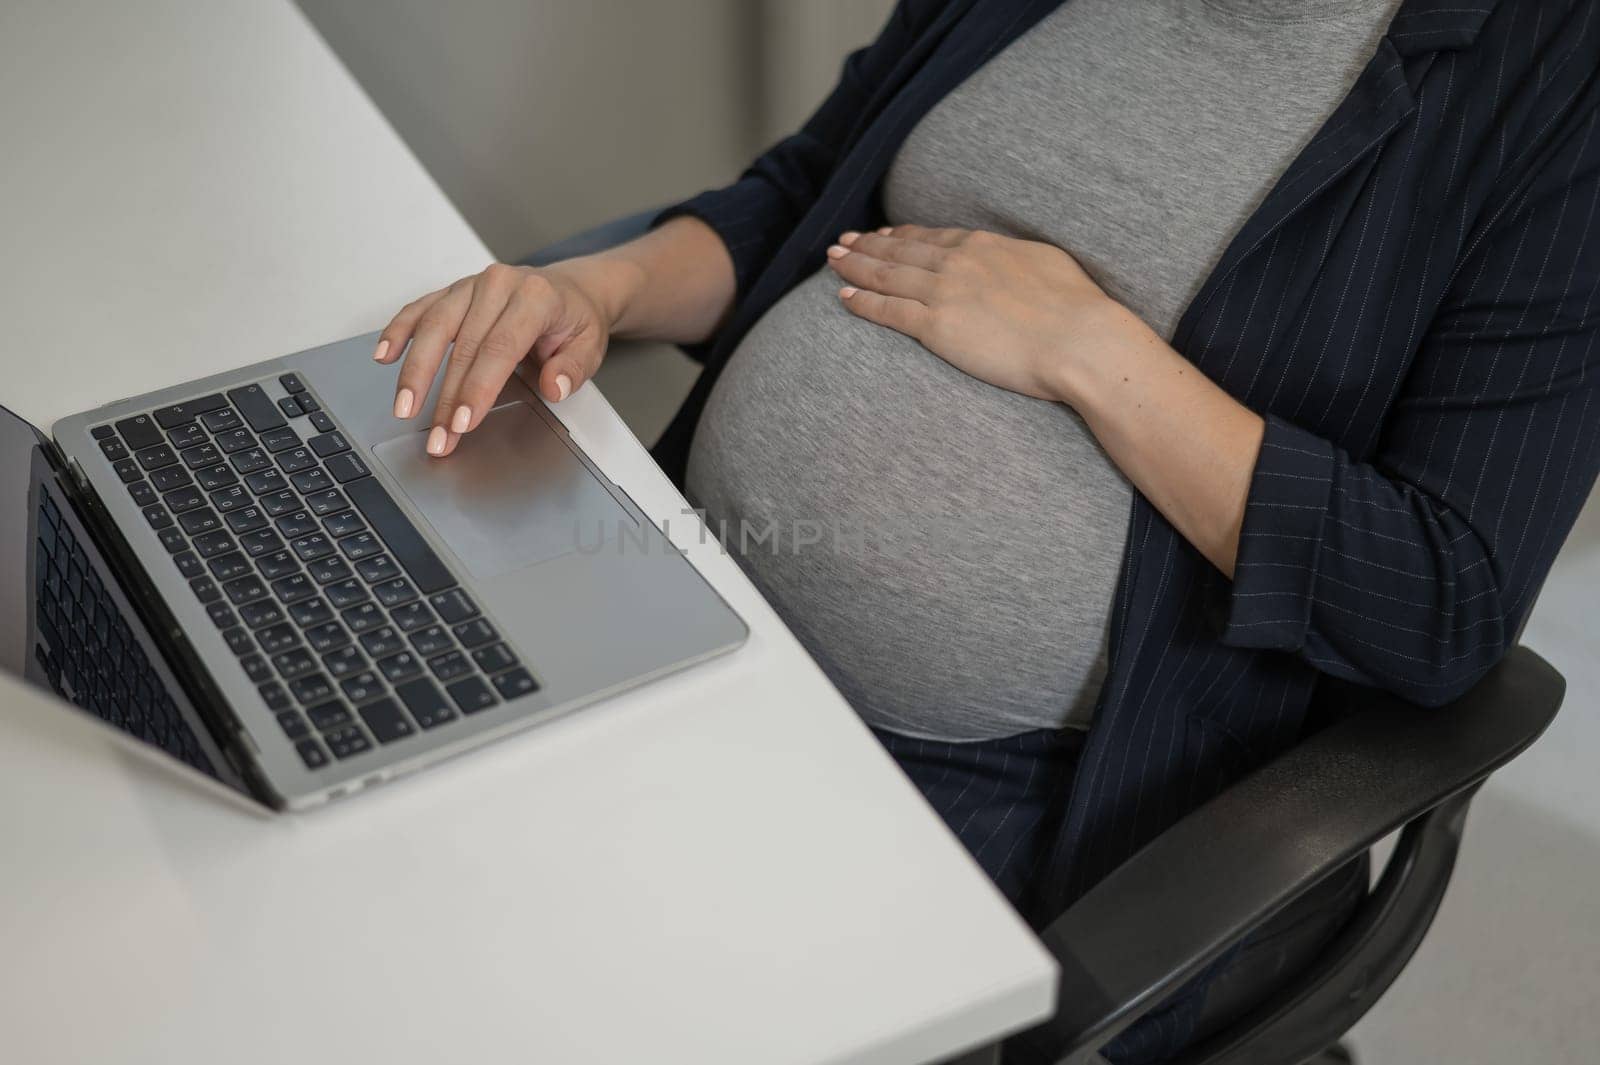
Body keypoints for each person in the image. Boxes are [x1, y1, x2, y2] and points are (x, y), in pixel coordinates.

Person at [377, 0, 1600, 1059]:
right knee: (384, 855)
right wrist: (597, 289)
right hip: (682, 597)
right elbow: (812, 194)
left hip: (1004, 776)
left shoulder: (1554, 82)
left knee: (536, 992)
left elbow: (1442, 598)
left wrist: (1087, 351)